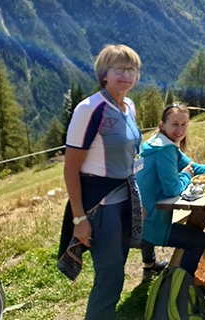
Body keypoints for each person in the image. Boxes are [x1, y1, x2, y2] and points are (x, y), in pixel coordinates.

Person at [59, 44, 143, 320]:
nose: (126, 75)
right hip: (101, 205)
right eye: (119, 69)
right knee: (110, 275)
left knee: (116, 269)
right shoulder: (90, 109)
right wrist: (79, 218)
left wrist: (137, 200)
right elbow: (71, 169)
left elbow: (131, 159)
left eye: (132, 70)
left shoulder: (129, 106)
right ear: (103, 73)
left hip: (124, 199)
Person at [137, 103, 205, 275]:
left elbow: (193, 167)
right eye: (175, 124)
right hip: (150, 224)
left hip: (135, 220)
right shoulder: (165, 150)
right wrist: (185, 175)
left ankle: (149, 263)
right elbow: (173, 189)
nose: (180, 129)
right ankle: (180, 287)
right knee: (197, 240)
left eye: (184, 124)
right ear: (162, 125)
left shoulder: (154, 144)